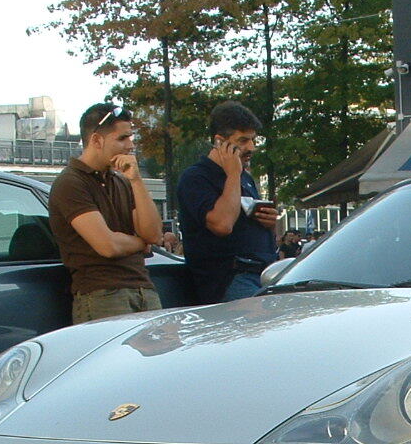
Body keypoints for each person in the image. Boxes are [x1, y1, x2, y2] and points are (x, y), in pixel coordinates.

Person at [48, 104, 163, 323]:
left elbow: (154, 235)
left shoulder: (122, 180)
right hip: (103, 295)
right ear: (96, 141)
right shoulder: (71, 183)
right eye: (122, 138)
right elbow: (108, 246)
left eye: (131, 137)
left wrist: (136, 181)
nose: (130, 145)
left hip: (144, 288)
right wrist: (141, 244)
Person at [177, 101, 280, 303]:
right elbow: (222, 224)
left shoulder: (245, 178)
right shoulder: (196, 178)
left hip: (262, 273)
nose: (251, 147)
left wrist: (267, 222)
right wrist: (233, 173)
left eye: (253, 140)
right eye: (242, 141)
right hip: (230, 278)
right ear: (219, 142)